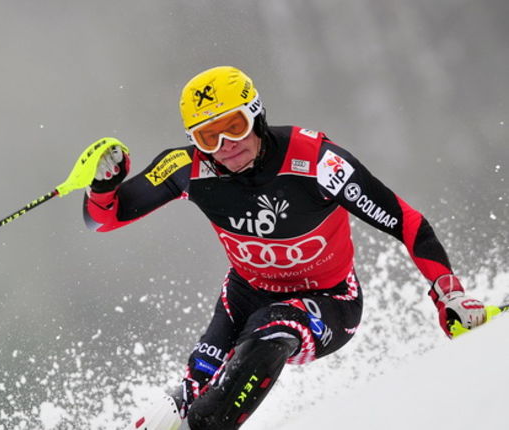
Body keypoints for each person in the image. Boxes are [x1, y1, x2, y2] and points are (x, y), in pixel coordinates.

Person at [81, 66, 488, 429]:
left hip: (329, 300)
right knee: (179, 400)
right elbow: (102, 219)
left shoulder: (318, 161)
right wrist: (102, 185)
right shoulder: (188, 167)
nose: (225, 145)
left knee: (268, 333)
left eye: (235, 126)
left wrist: (448, 295)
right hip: (244, 295)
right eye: (208, 136)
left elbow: (406, 221)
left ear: (256, 115)